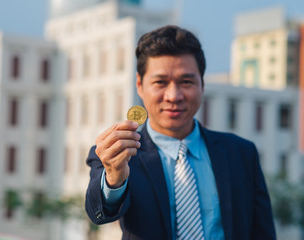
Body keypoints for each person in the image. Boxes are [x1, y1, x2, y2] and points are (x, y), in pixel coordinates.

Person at [85, 25, 276, 240]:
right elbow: (99, 213)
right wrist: (114, 177)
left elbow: (263, 232)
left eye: (186, 82)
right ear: (140, 85)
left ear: (202, 84)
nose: (174, 96)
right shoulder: (117, 153)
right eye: (160, 82)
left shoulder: (241, 152)